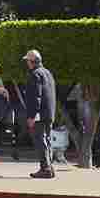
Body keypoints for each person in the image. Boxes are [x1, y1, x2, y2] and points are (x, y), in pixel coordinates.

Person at [21, 49, 60, 179]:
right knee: (47, 140)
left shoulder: (35, 74)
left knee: (40, 140)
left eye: (27, 61)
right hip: (49, 112)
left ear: (32, 62)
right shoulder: (47, 73)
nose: (27, 63)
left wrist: (32, 116)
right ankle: (49, 167)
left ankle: (45, 168)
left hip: (40, 113)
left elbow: (35, 97)